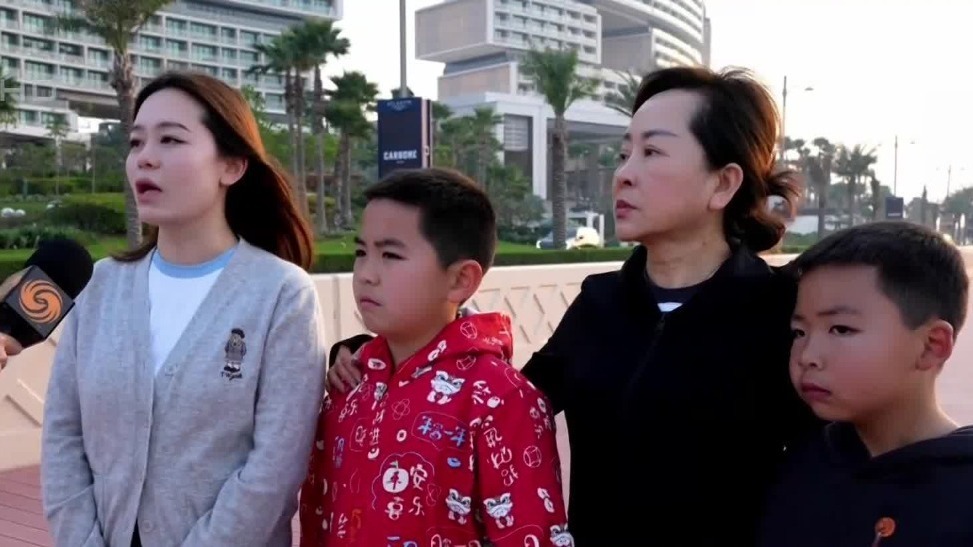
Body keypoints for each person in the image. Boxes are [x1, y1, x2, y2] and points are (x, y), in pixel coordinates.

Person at [325, 66, 821, 545]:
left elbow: (829, 461)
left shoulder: (783, 311)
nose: (623, 175)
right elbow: (504, 398)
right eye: (624, 154)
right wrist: (378, 355)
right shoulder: (600, 304)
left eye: (652, 152)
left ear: (723, 183)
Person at [40, 71, 328, 547]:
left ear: (231, 166)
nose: (145, 158)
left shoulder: (281, 294)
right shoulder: (100, 286)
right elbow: (62, 436)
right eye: (136, 142)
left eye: (170, 139)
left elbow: (275, 467)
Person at [298, 168, 571, 546]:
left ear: (461, 280)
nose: (365, 274)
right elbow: (317, 516)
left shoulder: (503, 401)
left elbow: (531, 535)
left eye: (390, 255)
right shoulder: (350, 385)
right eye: (361, 252)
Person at [758, 222, 973, 546]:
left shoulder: (962, 488)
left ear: (931, 346)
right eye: (799, 332)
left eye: (841, 329)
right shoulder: (800, 467)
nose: (808, 356)